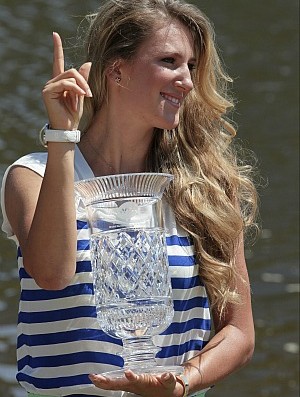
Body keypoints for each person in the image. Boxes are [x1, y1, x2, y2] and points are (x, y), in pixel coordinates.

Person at [0, 0, 258, 396]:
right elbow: (52, 275)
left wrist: (181, 382)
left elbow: (238, 333)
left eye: (190, 66)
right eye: (169, 61)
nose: (187, 80)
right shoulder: (33, 175)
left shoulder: (207, 187)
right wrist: (62, 138)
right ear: (117, 70)